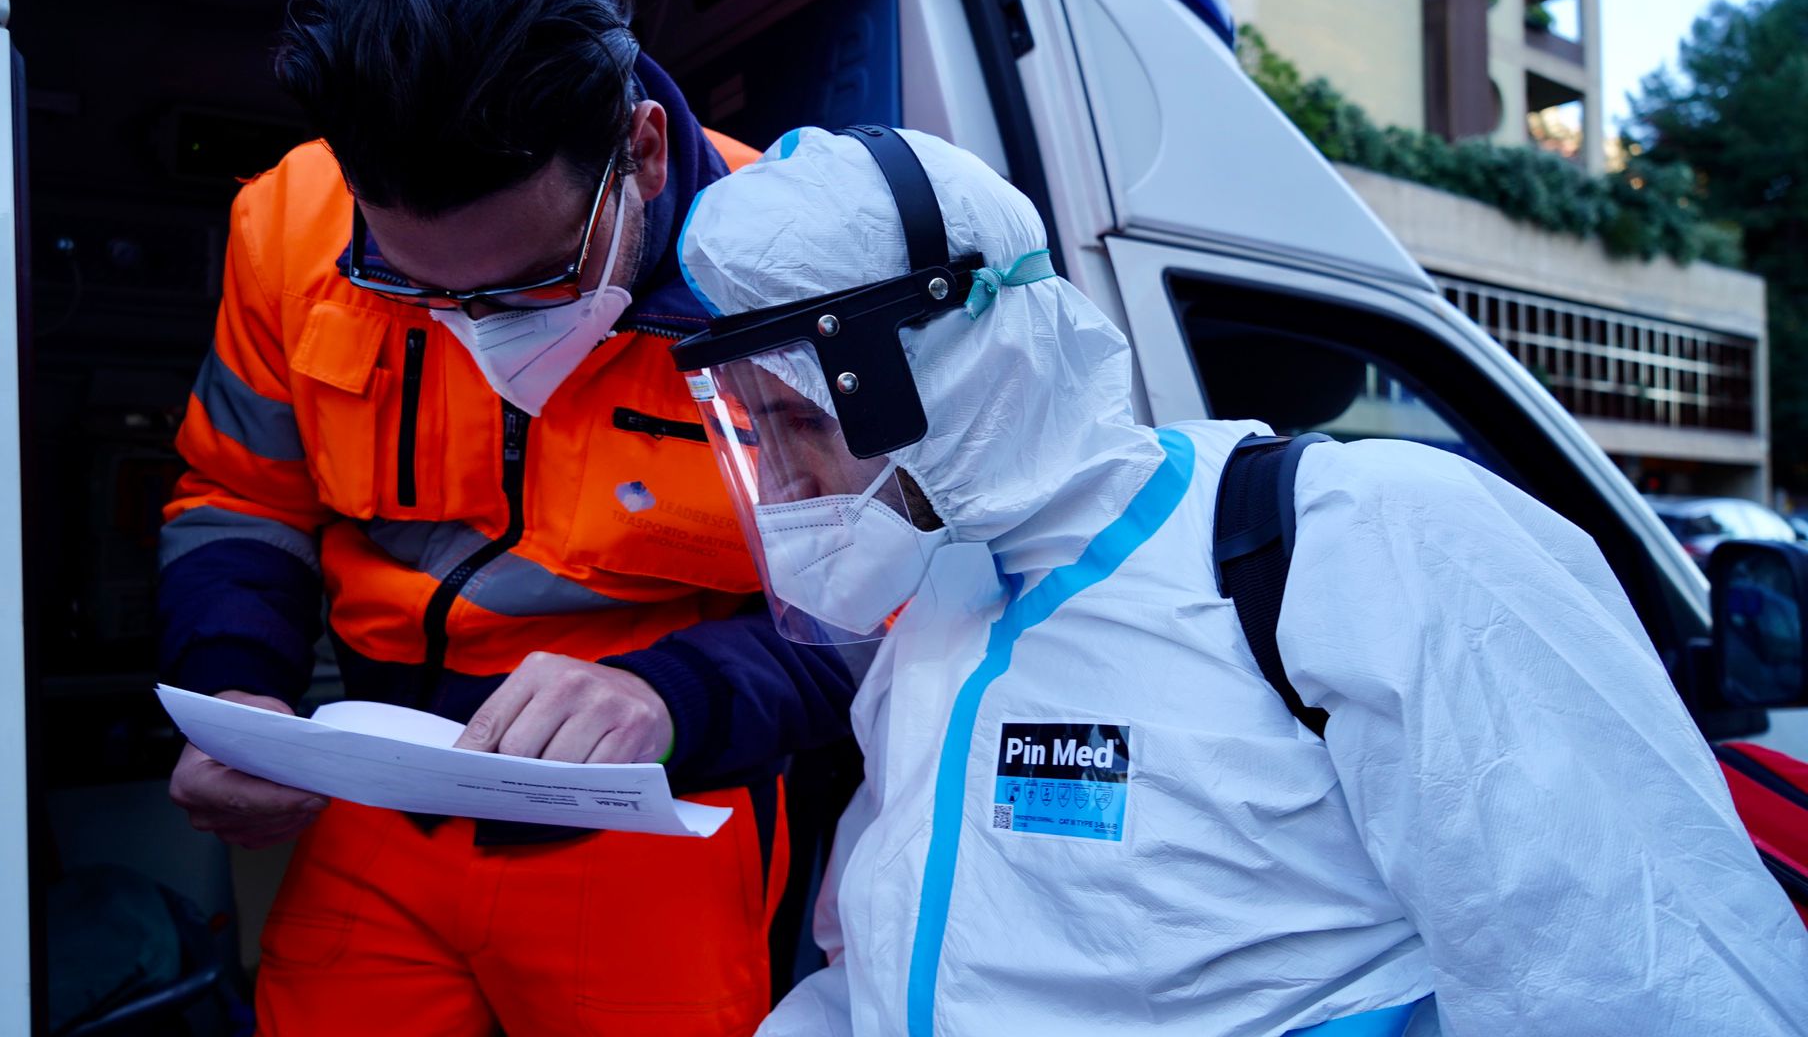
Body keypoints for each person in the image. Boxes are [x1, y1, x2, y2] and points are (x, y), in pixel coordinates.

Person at [666, 124, 1808, 1035]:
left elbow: (1630, 978)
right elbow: (878, 971)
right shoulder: (938, 624)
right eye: (755, 431)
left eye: (802, 422)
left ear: (947, 366)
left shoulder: (1352, 543)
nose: (787, 481)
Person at [156, 0, 857, 1037]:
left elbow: (883, 612)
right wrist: (237, 692)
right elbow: (238, 497)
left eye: (534, 284)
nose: (474, 328)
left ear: (641, 153)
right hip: (370, 795)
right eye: (413, 289)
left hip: (662, 808)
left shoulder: (801, 275)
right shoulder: (288, 222)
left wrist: (671, 696)